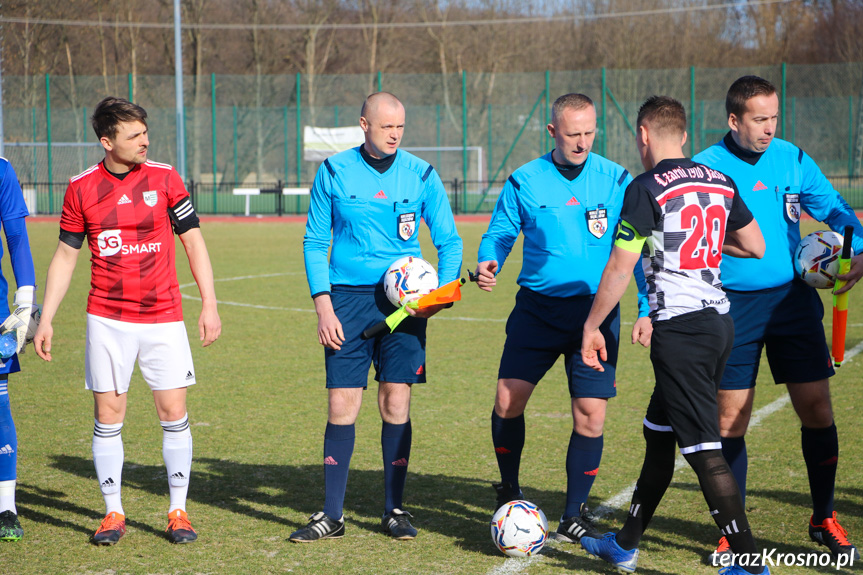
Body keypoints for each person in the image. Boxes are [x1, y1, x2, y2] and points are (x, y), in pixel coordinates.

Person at [579, 96, 769, 575]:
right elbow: (755, 245)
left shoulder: (645, 187)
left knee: (705, 450)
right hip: (719, 323)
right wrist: (697, 243)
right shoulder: (720, 180)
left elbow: (622, 266)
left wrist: (591, 326)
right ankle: (624, 543)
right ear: (683, 136)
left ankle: (749, 562)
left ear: (643, 135)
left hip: (682, 330)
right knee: (658, 434)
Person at [33, 97, 221, 546]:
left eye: (145, 132)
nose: (145, 141)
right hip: (107, 320)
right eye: (134, 135)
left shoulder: (165, 178)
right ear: (107, 141)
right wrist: (47, 318)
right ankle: (113, 514)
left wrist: (209, 303)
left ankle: (178, 510)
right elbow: (65, 256)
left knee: (173, 412)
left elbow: (194, 242)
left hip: (163, 317)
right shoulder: (81, 188)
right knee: (107, 415)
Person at [693, 75, 863, 563]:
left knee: (817, 409)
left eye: (773, 117)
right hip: (731, 305)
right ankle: (733, 530)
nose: (769, 128)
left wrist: (858, 247)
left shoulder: (792, 157)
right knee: (730, 419)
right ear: (733, 120)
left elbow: (835, 210)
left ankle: (824, 517)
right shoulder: (705, 168)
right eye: (759, 119)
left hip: (792, 302)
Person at [473, 92, 650, 543]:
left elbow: (639, 252)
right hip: (537, 310)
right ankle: (509, 490)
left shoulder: (617, 180)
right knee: (507, 401)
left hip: (597, 313)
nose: (582, 142)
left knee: (591, 415)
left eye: (590, 132)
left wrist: (646, 308)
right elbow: (499, 232)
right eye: (573, 134)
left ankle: (574, 513)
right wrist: (489, 258)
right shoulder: (525, 180)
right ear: (552, 131)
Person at [293, 92, 462, 543]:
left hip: (405, 305)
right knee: (341, 404)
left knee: (395, 402)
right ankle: (331, 515)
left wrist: (439, 295)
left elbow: (449, 241)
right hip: (346, 301)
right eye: (386, 126)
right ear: (363, 124)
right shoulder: (333, 171)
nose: (394, 135)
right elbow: (314, 242)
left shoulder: (422, 174)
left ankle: (394, 509)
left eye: (400, 127)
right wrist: (323, 304)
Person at [0, 158, 39, 542]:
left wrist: (25, 297)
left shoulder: (1, 169)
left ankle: (5, 507)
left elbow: (15, 236)